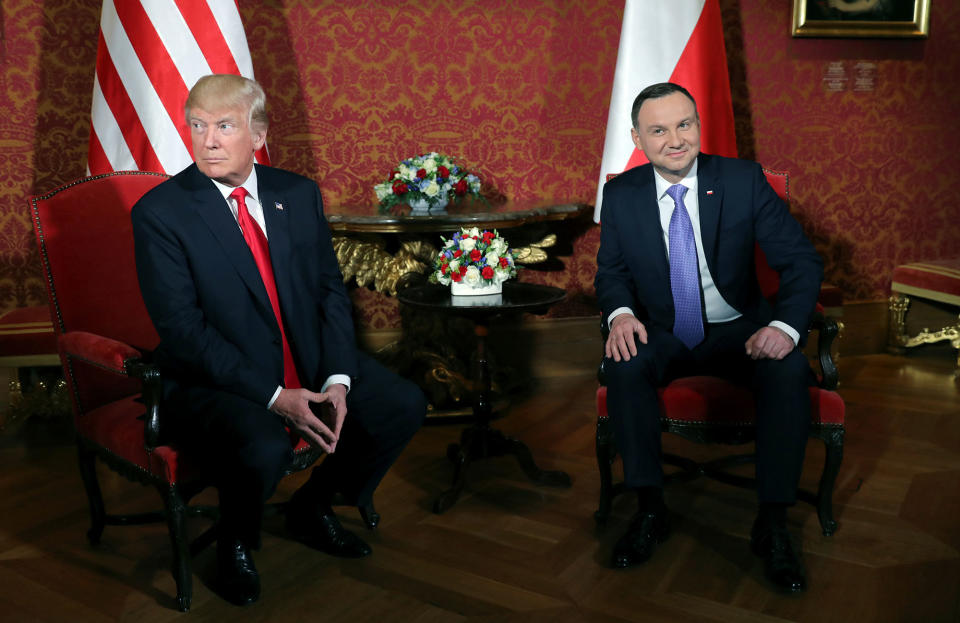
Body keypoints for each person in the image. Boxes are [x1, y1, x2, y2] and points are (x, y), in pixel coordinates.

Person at [131, 74, 426, 606]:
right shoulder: (160, 213)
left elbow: (328, 293)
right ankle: (235, 543)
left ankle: (314, 506)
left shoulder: (297, 193)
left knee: (399, 405)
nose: (208, 140)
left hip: (305, 362)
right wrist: (274, 397)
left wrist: (337, 377)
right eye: (197, 125)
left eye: (224, 126)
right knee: (263, 444)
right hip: (215, 379)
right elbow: (184, 331)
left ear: (258, 134)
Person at [594, 82, 823, 592]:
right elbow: (610, 272)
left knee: (787, 367)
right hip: (664, 329)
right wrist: (623, 315)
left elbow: (801, 261)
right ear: (636, 137)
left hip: (739, 327)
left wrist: (784, 328)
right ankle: (650, 509)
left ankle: (774, 522)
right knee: (625, 363)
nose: (675, 140)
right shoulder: (622, 194)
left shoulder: (742, 180)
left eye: (684, 124)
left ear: (698, 124)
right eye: (658, 130)